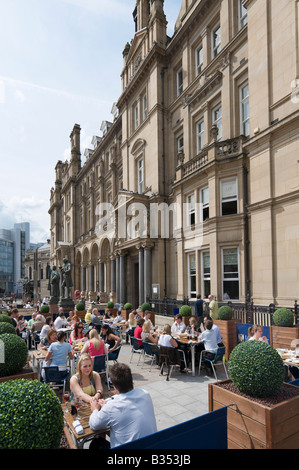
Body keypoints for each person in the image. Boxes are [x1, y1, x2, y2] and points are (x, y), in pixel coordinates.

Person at [89, 363, 157, 448]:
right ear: (131, 380)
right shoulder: (145, 394)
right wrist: (108, 405)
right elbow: (126, 402)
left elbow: (94, 424)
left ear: (115, 387)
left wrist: (95, 409)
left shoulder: (111, 407)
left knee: (96, 443)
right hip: (152, 445)